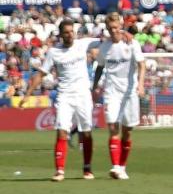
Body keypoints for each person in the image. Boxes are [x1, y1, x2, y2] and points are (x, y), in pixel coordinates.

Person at [18, 19, 100, 182]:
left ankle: (87, 168)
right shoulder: (54, 52)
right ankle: (60, 170)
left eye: (72, 32)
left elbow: (107, 39)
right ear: (61, 34)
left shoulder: (83, 44)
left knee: (87, 132)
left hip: (83, 94)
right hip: (65, 96)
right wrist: (27, 94)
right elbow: (40, 74)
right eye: (66, 32)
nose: (70, 35)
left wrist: (124, 33)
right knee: (62, 130)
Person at [91, 13, 146, 180]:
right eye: (110, 29)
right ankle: (115, 166)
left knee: (127, 131)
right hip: (111, 92)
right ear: (107, 30)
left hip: (129, 92)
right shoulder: (104, 47)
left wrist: (141, 84)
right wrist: (94, 87)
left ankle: (122, 166)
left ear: (120, 26)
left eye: (116, 27)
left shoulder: (131, 43)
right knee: (113, 127)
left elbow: (141, 64)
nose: (113, 31)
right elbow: (100, 67)